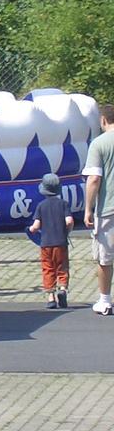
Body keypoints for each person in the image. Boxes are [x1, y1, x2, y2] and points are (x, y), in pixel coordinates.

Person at [83, 103, 114, 316]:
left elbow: (94, 179)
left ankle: (104, 300)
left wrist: (88, 208)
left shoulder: (99, 144)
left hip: (109, 208)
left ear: (103, 120)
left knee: (105, 257)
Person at [29, 172, 72, 309]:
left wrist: (31, 230)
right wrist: (67, 231)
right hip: (61, 242)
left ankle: (51, 297)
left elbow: (36, 226)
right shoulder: (63, 204)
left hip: (46, 243)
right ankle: (63, 289)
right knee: (62, 268)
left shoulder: (41, 206)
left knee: (48, 269)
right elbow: (69, 221)